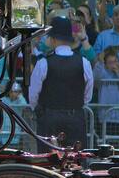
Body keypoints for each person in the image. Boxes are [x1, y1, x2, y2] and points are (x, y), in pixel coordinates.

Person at [29, 17, 94, 152]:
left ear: (52, 39)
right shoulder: (84, 62)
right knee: (76, 161)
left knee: (48, 162)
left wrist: (40, 111)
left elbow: (33, 94)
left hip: (49, 118)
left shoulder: (43, 63)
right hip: (75, 117)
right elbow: (88, 94)